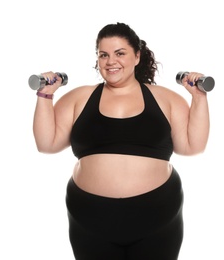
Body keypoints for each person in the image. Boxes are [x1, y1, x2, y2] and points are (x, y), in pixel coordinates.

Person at [33, 22, 210, 260]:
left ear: (137, 56)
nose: (110, 61)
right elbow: (47, 144)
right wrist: (46, 95)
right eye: (103, 55)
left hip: (156, 215)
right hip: (90, 217)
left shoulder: (166, 98)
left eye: (119, 53)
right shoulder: (79, 98)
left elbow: (192, 147)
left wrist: (199, 97)